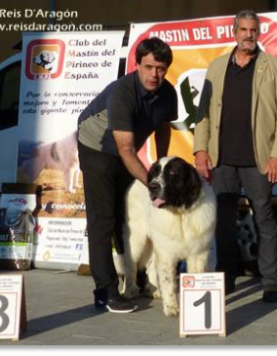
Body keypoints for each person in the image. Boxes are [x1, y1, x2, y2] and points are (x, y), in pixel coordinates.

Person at [193, 10, 277, 303]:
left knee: (264, 218)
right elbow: (203, 113)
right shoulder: (216, 67)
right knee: (223, 221)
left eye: (253, 30)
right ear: (234, 32)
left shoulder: (275, 68)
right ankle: (227, 278)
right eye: (243, 30)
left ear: (259, 33)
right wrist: (201, 149)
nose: (249, 34)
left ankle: (272, 280)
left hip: (259, 159)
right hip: (221, 158)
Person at [77, 38, 177, 313]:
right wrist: (153, 185)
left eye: (161, 68)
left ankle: (136, 281)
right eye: (149, 67)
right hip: (97, 147)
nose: (155, 74)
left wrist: (160, 167)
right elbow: (125, 148)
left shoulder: (168, 93)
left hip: (125, 150)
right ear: (137, 65)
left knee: (128, 215)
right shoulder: (122, 93)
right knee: (104, 219)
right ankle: (106, 293)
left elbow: (164, 126)